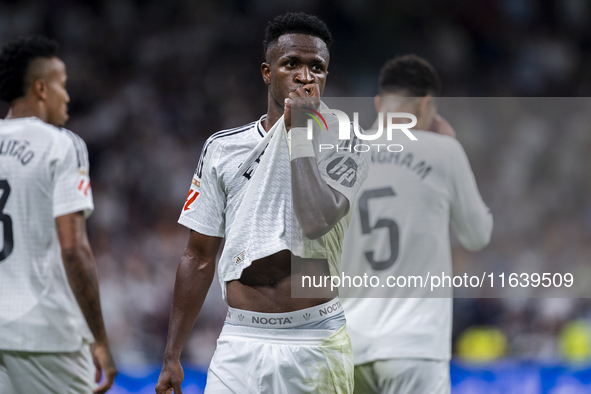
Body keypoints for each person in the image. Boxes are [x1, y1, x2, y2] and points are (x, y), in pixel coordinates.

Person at [156, 12, 368, 394]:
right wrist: (172, 355)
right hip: (241, 340)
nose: (306, 77)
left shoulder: (346, 139)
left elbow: (316, 218)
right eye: (292, 65)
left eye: (316, 67)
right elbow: (199, 256)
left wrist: (300, 133)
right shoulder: (222, 148)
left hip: (315, 339)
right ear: (268, 73)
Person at [340, 55, 493, 394]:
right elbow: (477, 236)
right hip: (414, 345)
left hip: (349, 344)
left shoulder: (345, 153)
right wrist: (449, 144)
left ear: (379, 103)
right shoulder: (443, 150)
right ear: (427, 105)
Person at [0, 36, 117, 394]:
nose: (66, 96)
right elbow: (73, 249)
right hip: (47, 335)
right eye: (61, 86)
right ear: (40, 88)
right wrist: (99, 338)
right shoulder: (61, 144)